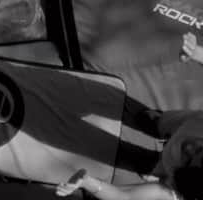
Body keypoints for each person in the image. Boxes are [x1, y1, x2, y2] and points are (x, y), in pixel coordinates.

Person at [56, 33, 203, 200]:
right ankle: (157, 123)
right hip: (189, 121)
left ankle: (156, 168)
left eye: (187, 158)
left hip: (174, 168)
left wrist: (88, 183)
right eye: (200, 149)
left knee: (154, 164)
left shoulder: (178, 189)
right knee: (167, 122)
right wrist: (197, 53)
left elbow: (125, 197)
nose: (189, 148)